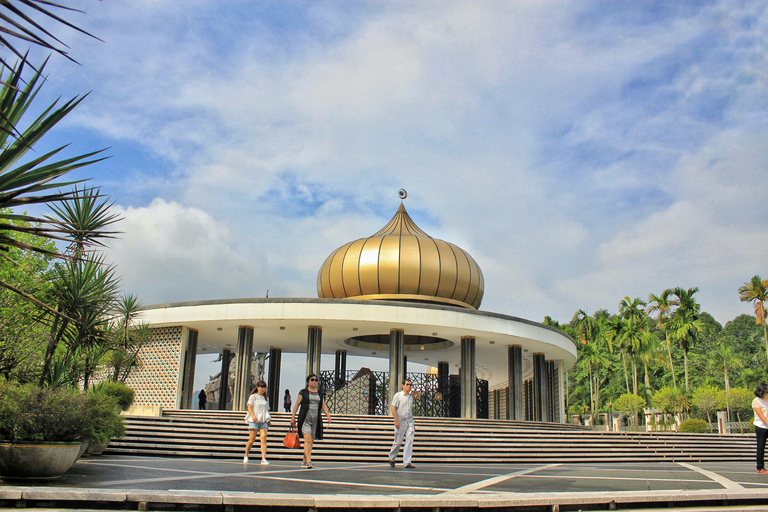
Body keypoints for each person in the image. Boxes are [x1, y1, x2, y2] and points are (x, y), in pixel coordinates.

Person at [291, 374, 331, 469]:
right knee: (308, 440)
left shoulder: (319, 393)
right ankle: (309, 461)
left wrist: (328, 415)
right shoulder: (303, 392)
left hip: (316, 419)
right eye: (312, 380)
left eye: (316, 380)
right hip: (305, 418)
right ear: (308, 381)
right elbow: (297, 404)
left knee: (311, 441)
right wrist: (293, 417)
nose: (314, 382)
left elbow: (323, 405)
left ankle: (304, 459)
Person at [388, 378, 415, 468]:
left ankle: (407, 462)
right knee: (398, 442)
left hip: (409, 421)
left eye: (410, 385)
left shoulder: (410, 397)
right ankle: (392, 457)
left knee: (409, 441)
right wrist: (396, 420)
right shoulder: (398, 395)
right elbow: (393, 408)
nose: (409, 386)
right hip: (400, 421)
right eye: (407, 384)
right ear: (403, 385)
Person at [244, 380, 271, 465]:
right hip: (254, 420)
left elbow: (267, 409)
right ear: (257, 387)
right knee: (251, 439)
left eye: (264, 387)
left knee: (263, 438)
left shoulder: (266, 398)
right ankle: (246, 455)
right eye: (261, 387)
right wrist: (253, 416)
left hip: (263, 420)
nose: (263, 389)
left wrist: (269, 420)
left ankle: (263, 458)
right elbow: (249, 407)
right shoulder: (253, 397)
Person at [753, 382, 768, 473]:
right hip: (761, 427)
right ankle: (760, 467)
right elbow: (760, 414)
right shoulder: (756, 401)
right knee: (761, 447)